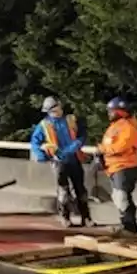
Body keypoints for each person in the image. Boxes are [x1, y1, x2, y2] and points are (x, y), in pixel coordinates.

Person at [29, 96, 92, 228]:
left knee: (80, 190)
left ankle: (86, 218)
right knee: (63, 191)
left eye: (55, 109)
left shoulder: (71, 120)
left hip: (74, 159)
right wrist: (41, 155)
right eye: (51, 111)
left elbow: (82, 134)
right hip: (58, 161)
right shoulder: (44, 125)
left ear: (60, 106)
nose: (54, 112)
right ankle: (65, 217)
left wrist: (77, 144)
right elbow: (35, 142)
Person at [98, 97, 137, 234]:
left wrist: (103, 150)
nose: (109, 114)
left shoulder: (128, 127)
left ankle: (129, 227)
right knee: (120, 196)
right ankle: (127, 225)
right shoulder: (115, 126)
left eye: (112, 111)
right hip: (115, 167)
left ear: (120, 111)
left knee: (121, 196)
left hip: (125, 166)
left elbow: (122, 146)